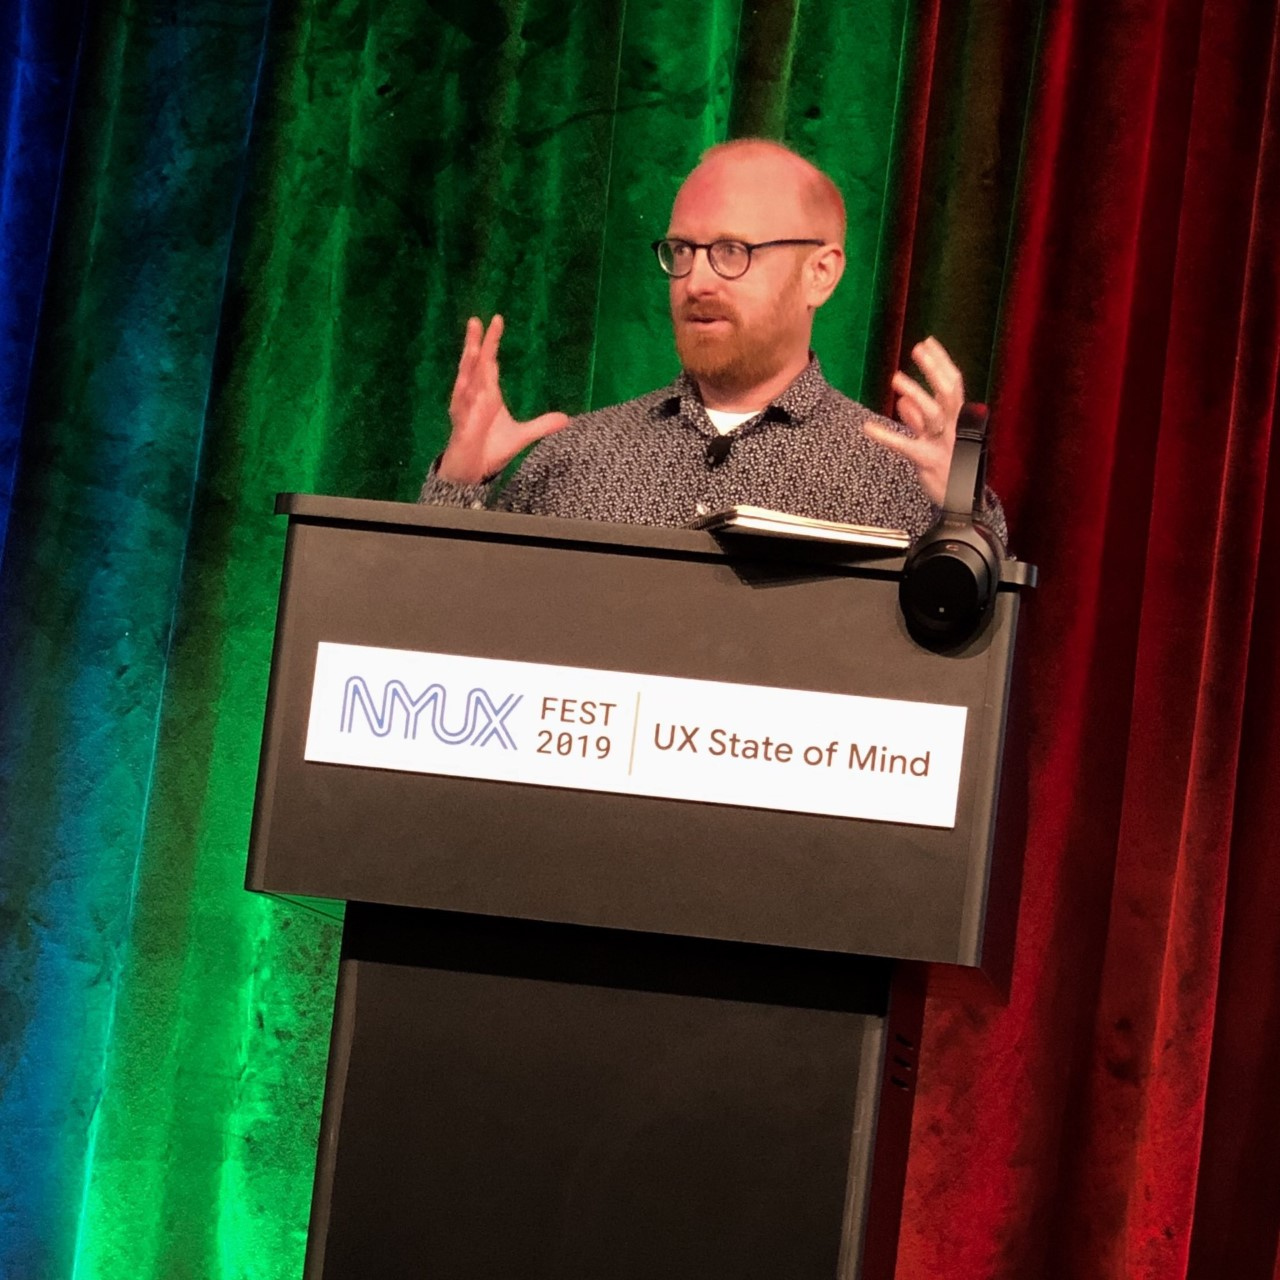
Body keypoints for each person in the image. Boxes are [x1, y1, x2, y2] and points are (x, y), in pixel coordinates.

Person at [421, 138, 1005, 543]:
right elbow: (439, 629)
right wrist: (459, 484)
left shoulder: (899, 480)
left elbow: (972, 655)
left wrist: (960, 508)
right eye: (682, 251)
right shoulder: (573, 460)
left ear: (820, 274)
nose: (696, 281)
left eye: (733, 252)